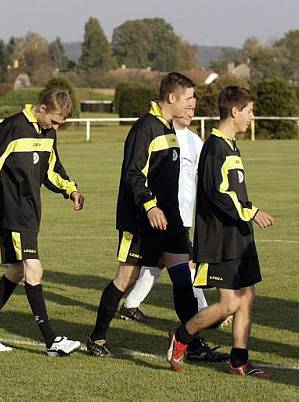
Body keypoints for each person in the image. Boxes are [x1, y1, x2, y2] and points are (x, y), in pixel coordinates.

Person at [87, 73, 222, 361]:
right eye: (188, 98)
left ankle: (191, 343)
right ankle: (97, 338)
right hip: (140, 222)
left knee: (183, 279)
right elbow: (133, 174)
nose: (192, 104)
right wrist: (149, 206)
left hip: (169, 223)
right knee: (125, 279)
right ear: (171, 98)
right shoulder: (145, 128)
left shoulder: (170, 130)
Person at [0, 89, 84, 356]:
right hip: (15, 212)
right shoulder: (15, 126)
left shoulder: (48, 133)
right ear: (42, 108)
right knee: (34, 269)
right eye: (55, 120)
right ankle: (51, 341)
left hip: (31, 212)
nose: (56, 127)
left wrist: (70, 189)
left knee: (16, 271)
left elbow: (52, 168)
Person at [167, 86, 274, 377]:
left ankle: (239, 360)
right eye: (249, 111)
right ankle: (182, 335)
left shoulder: (231, 145)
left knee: (248, 297)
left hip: (240, 237)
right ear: (235, 111)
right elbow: (219, 194)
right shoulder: (214, 148)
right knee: (229, 303)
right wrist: (253, 212)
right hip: (222, 240)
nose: (252, 116)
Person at [117, 98, 210, 322]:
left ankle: (130, 305)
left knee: (159, 263)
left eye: (193, 109)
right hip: (161, 213)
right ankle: (204, 312)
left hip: (183, 214)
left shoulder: (195, 141)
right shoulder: (159, 134)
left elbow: (203, 178)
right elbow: (136, 173)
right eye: (187, 107)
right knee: (185, 264)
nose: (190, 113)